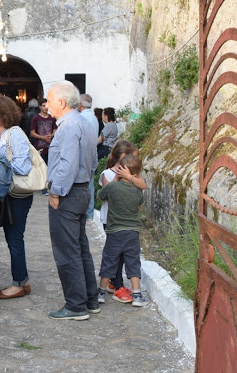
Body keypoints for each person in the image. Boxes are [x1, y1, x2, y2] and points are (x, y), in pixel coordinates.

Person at [45, 81, 99, 321]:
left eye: (48, 100)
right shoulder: (85, 124)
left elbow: (67, 164)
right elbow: (94, 161)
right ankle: (89, 299)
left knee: (67, 251)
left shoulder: (68, 126)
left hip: (68, 193)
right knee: (80, 247)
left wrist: (56, 192)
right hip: (81, 189)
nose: (46, 105)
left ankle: (76, 305)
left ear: (61, 102)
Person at [0, 96, 33, 300]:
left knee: (15, 238)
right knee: (11, 237)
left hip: (18, 195)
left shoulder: (15, 134)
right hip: (8, 194)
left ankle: (18, 284)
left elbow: (23, 167)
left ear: (2, 113)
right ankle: (23, 281)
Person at [96, 154, 150, 307]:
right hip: (132, 232)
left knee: (109, 261)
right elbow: (139, 206)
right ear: (136, 174)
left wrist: (115, 179)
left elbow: (101, 195)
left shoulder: (113, 187)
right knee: (133, 263)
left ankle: (100, 292)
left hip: (114, 232)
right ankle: (137, 294)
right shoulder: (138, 191)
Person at [78, 94, 98, 219]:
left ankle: (84, 213)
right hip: (92, 154)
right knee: (89, 185)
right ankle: (89, 213)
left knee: (82, 186)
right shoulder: (94, 118)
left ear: (80, 104)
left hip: (83, 156)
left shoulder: (81, 118)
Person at [30, 98, 57, 164]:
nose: (45, 108)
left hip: (50, 148)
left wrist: (51, 135)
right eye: (43, 106)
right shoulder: (36, 118)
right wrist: (43, 138)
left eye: (47, 106)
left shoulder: (52, 118)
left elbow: (55, 130)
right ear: (40, 106)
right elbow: (32, 133)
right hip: (40, 148)